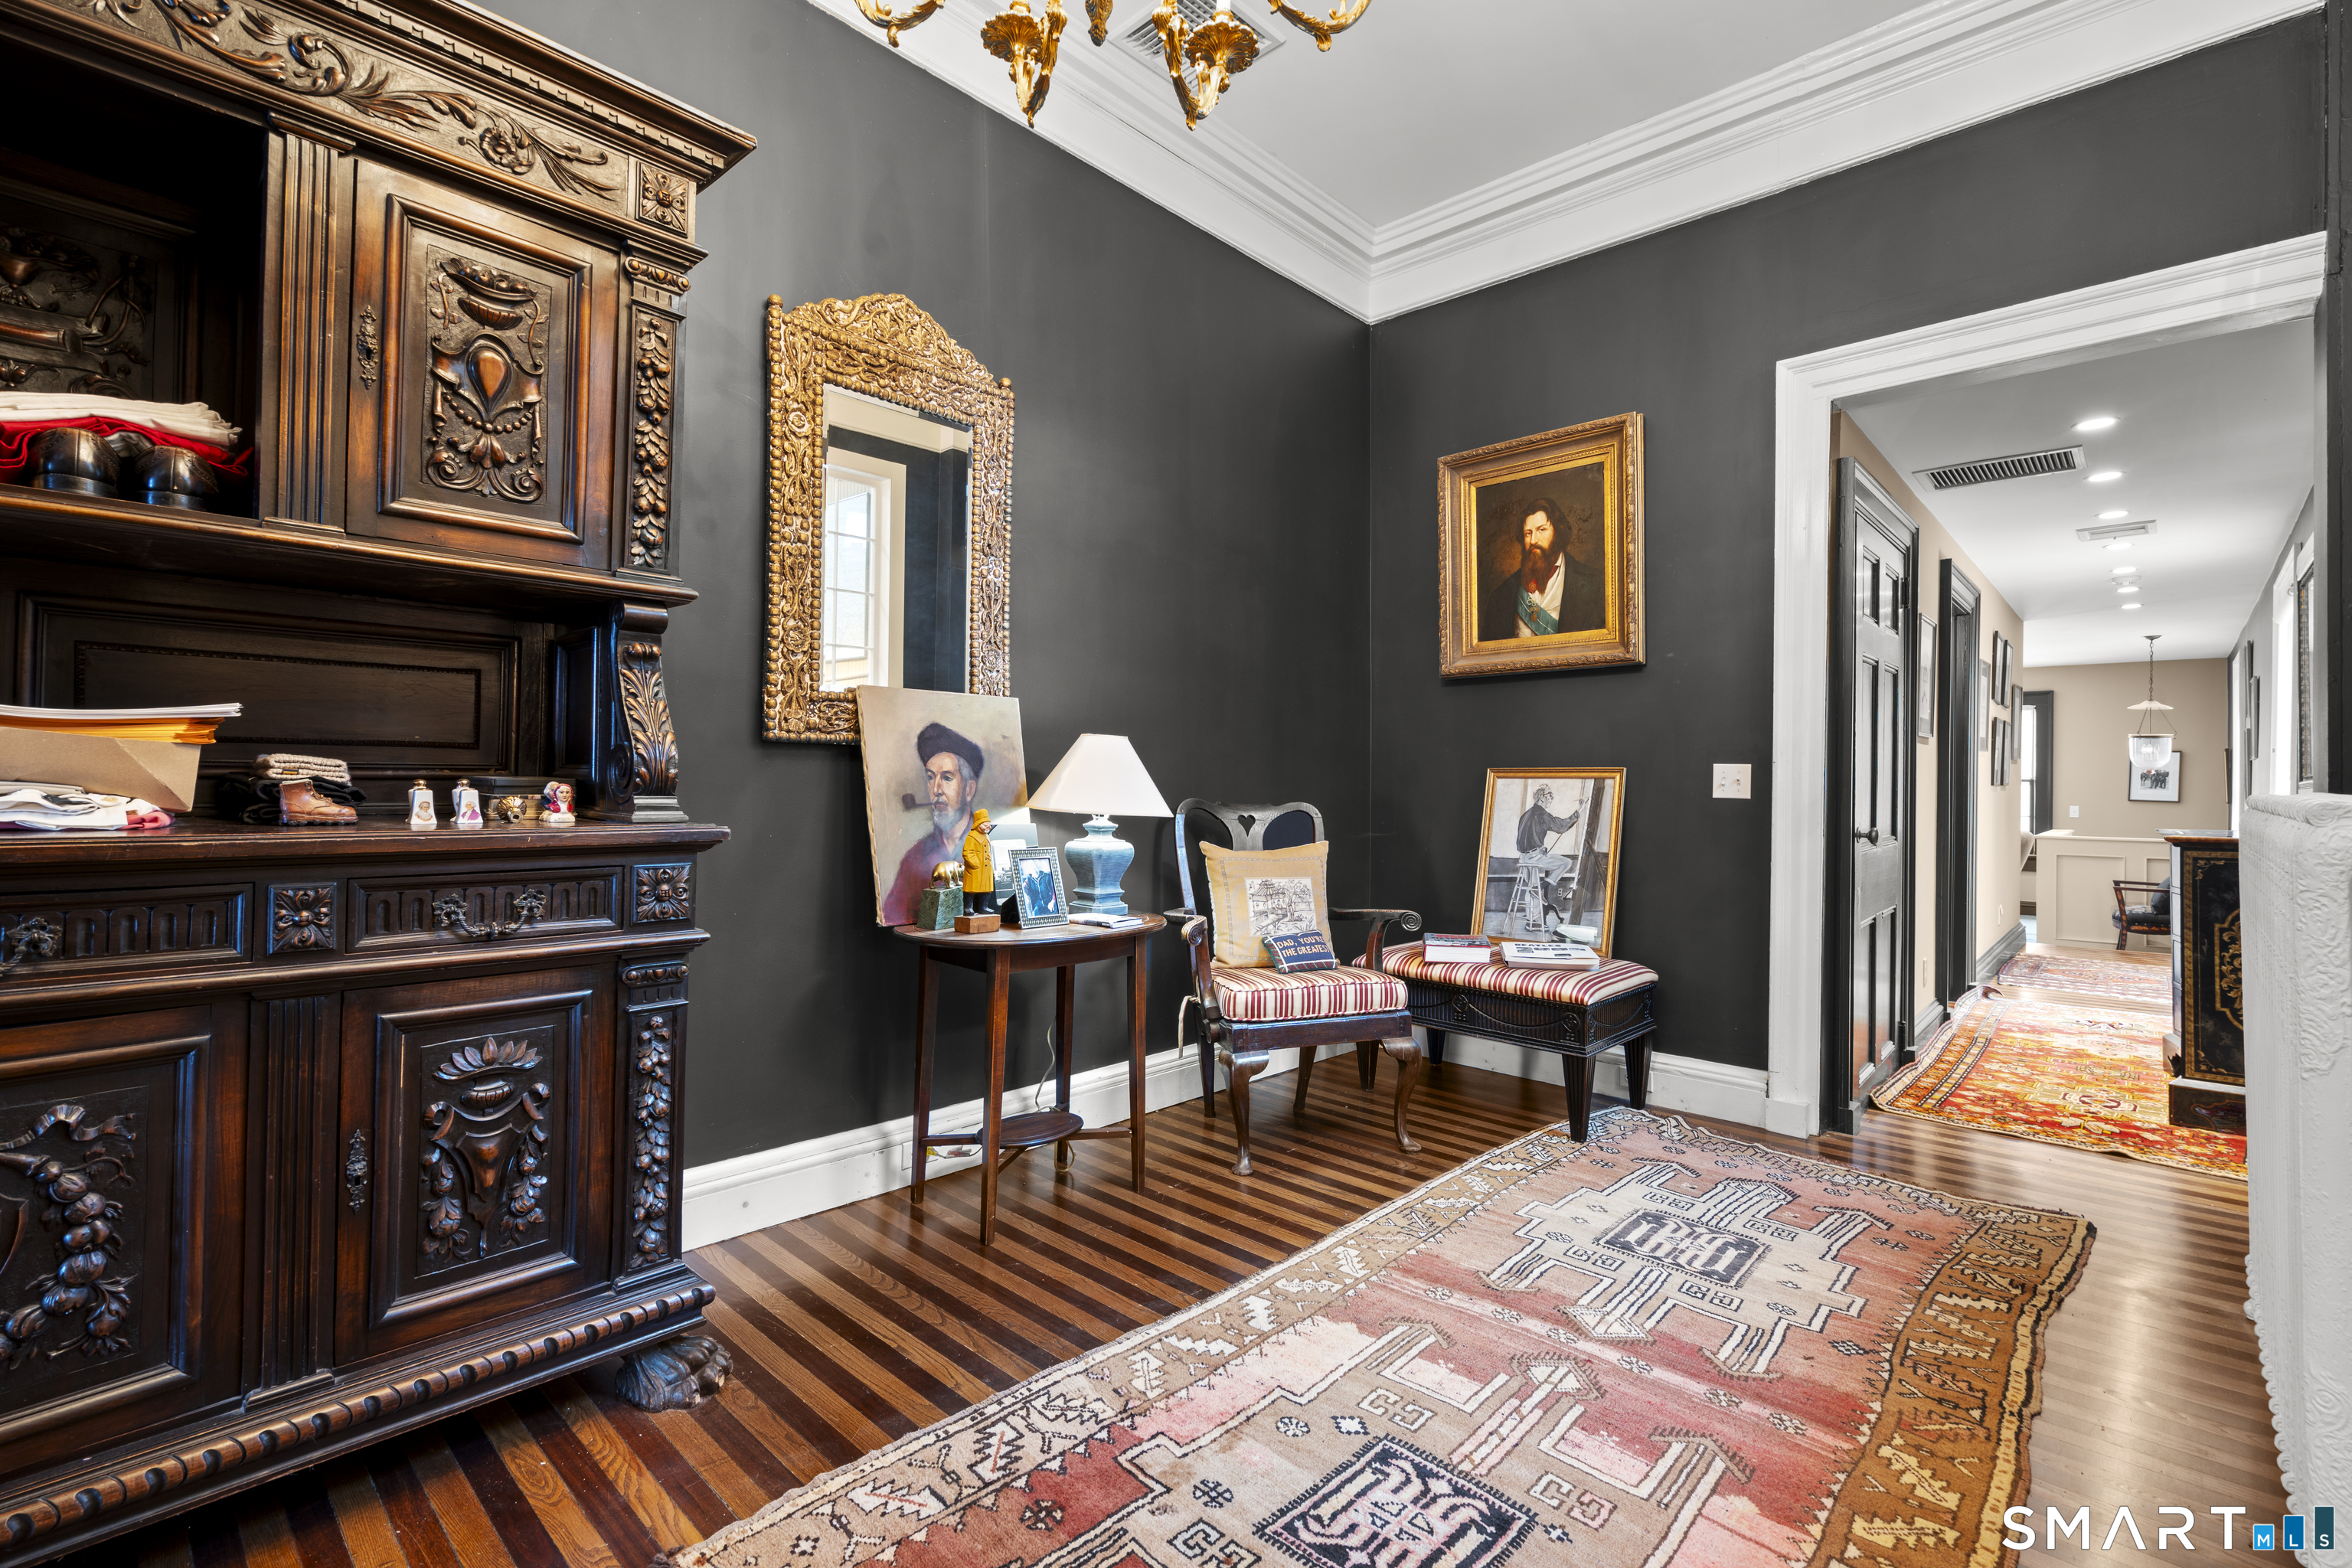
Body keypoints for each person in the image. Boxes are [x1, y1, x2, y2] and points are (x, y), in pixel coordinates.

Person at [882, 721, 991, 924]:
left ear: (969, 789)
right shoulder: (915, 857)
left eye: (947, 778)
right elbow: (893, 917)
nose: (936, 790)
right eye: (931, 778)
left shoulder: (989, 843)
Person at [1485, 496, 1607, 641]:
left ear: (1557, 532)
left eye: (1541, 530)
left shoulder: (1595, 583)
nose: (1533, 540)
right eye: (1528, 533)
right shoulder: (1501, 595)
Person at [1512, 784, 1582, 936]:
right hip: (1535, 858)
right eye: (1550, 796)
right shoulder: (1542, 814)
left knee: (1532, 886)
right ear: (1542, 796)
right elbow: (1561, 826)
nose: (1552, 798)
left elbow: (1525, 839)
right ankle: (1541, 887)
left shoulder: (1526, 814)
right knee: (1566, 862)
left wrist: (1539, 849)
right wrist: (1578, 812)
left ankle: (1532, 922)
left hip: (1523, 859)